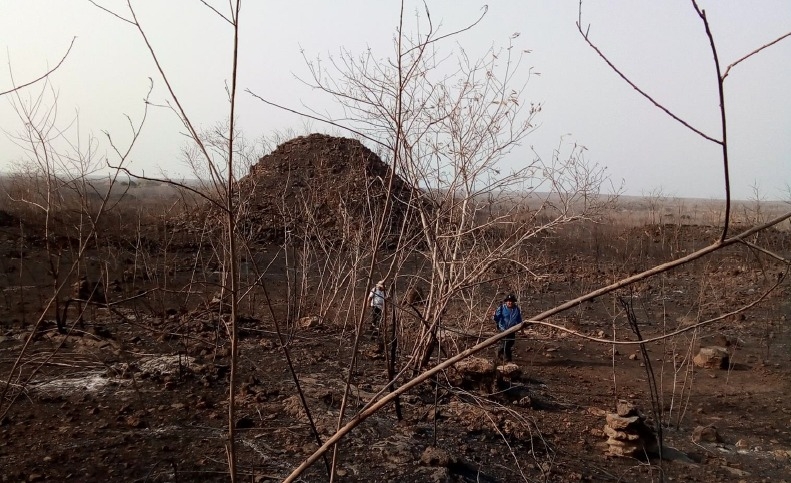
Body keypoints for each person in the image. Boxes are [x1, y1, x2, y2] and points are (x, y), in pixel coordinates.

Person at [492, 293, 522, 362]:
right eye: (508, 301)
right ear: (506, 301)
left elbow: (519, 319)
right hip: (503, 328)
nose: (510, 302)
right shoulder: (502, 308)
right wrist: (495, 316)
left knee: (511, 343)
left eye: (511, 301)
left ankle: (503, 354)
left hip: (512, 329)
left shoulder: (516, 309)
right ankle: (506, 357)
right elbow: (497, 318)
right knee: (505, 343)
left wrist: (521, 328)